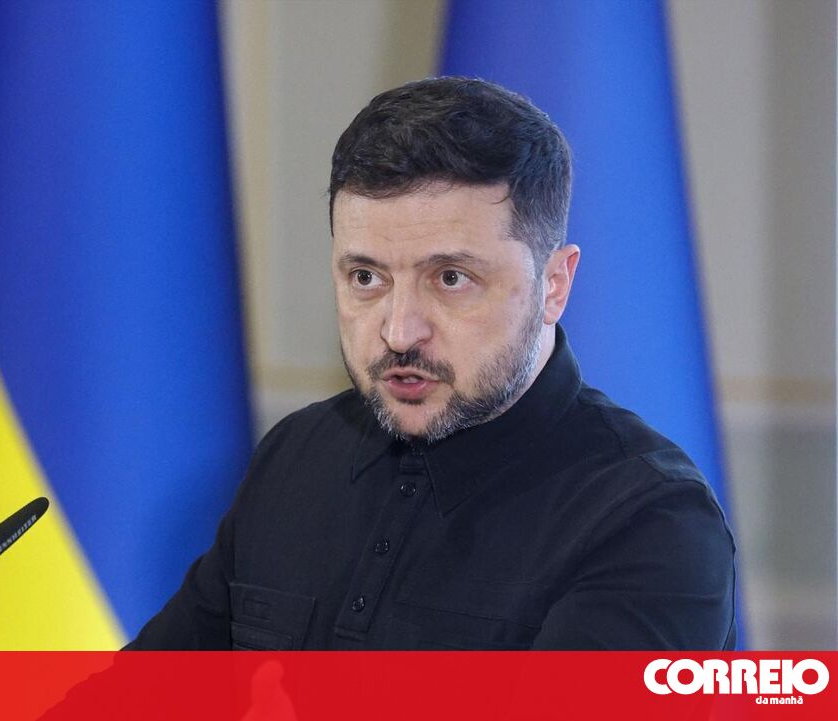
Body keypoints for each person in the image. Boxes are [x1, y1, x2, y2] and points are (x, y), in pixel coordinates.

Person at [128, 76, 737, 650]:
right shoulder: (297, 453)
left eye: (450, 278)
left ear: (554, 285)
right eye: (365, 277)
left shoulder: (650, 521)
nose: (398, 332)